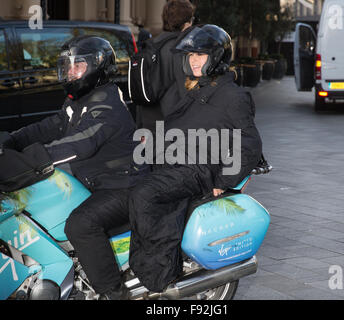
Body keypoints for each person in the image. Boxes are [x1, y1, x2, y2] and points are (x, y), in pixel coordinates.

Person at [4, 35, 149, 299]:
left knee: (80, 224)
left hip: (123, 185)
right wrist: (11, 140)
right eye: (67, 66)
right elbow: (51, 126)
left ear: (97, 67)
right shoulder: (80, 101)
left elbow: (80, 142)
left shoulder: (107, 106)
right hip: (97, 182)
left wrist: (29, 161)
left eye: (77, 66)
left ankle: (114, 293)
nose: (70, 72)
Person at [127, 24, 263, 292]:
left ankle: (160, 271)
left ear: (217, 58)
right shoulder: (198, 89)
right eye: (191, 57)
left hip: (198, 169)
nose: (194, 61)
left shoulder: (232, 96)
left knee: (144, 194)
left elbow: (250, 143)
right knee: (127, 179)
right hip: (176, 160)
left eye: (200, 55)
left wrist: (223, 180)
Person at [140, 0, 196, 132]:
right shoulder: (181, 50)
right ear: (187, 23)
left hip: (147, 121)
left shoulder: (150, 45)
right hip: (172, 126)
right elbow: (186, 92)